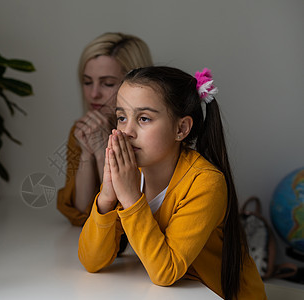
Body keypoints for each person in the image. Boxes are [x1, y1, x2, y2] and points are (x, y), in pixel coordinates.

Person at [78, 66, 267, 299]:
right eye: (121, 117)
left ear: (181, 129)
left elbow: (166, 272)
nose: (127, 131)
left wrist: (130, 198)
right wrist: (107, 198)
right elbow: (91, 261)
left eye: (144, 118)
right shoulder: (131, 173)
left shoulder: (206, 182)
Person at [57, 32, 153, 227]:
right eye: (87, 82)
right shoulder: (83, 130)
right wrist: (87, 153)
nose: (94, 93)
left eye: (107, 83)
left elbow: (127, 220)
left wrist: (102, 153)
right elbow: (81, 214)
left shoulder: (151, 135)